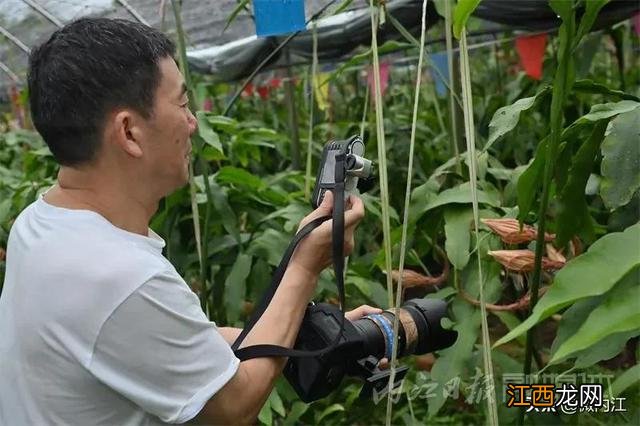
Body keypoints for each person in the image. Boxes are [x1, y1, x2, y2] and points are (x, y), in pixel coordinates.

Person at [0, 18, 378, 425]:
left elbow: (163, 344)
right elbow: (234, 404)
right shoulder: (120, 277)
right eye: (182, 104)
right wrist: (305, 266)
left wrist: (305, 337)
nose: (194, 122)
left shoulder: (40, 223)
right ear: (129, 132)